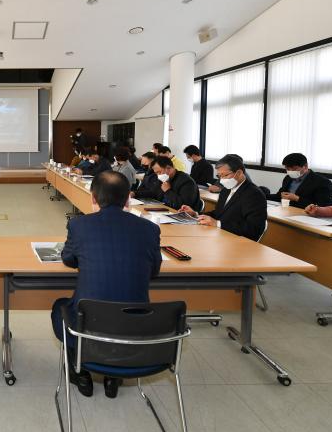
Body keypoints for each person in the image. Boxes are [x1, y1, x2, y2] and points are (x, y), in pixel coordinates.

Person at [52, 171, 161, 398]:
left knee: (60, 307)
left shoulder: (79, 225)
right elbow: (154, 271)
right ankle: (114, 377)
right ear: (128, 199)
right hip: (135, 322)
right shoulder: (150, 229)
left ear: (93, 198)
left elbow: (68, 259)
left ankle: (79, 371)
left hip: (88, 323)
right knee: (118, 307)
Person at [179, 154, 267, 241]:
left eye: (225, 175)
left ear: (239, 173)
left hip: (238, 242)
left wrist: (218, 223)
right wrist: (196, 215)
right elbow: (218, 213)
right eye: (219, 176)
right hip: (220, 237)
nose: (221, 180)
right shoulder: (226, 189)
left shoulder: (254, 194)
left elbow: (253, 229)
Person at [268, 153, 332, 209]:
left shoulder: (322, 182)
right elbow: (278, 196)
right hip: (287, 211)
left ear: (305, 166)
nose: (290, 172)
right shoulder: (288, 178)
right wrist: (261, 195)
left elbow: (323, 206)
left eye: (294, 169)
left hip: (307, 216)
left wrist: (297, 198)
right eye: (288, 169)